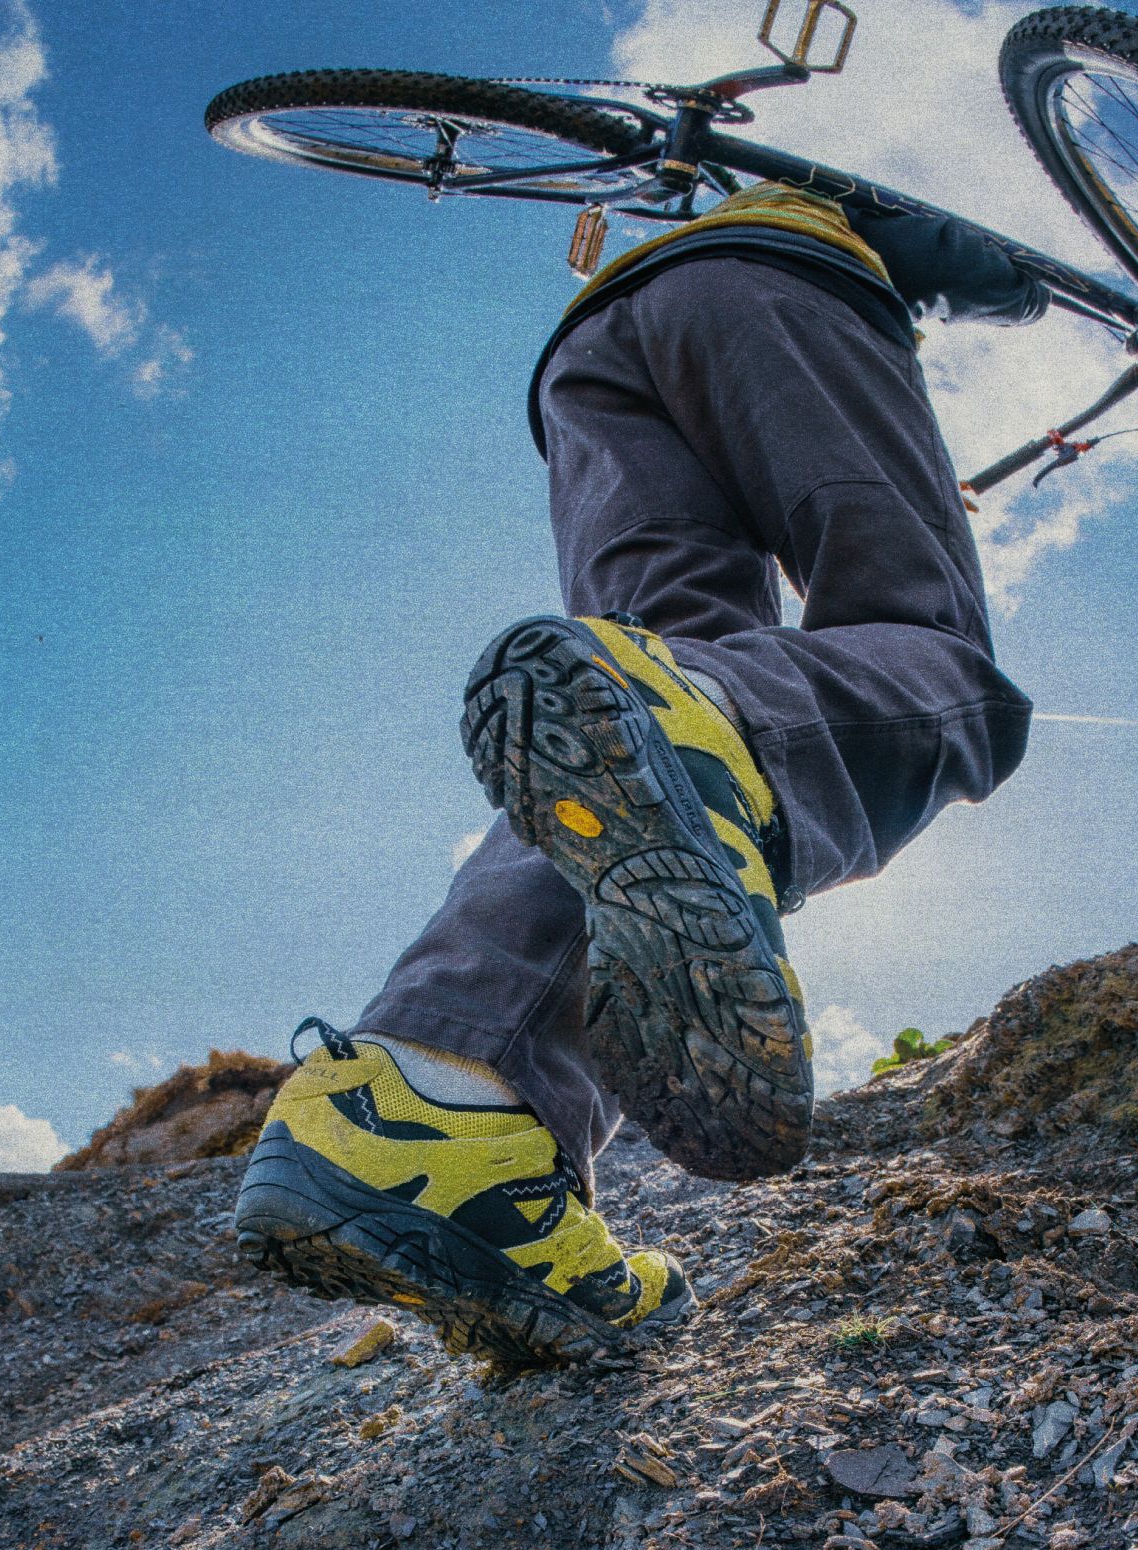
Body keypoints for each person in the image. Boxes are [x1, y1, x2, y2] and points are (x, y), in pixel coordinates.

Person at [233, 181, 1043, 1364]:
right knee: (932, 653)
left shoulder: (666, 202)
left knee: (634, 703)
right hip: (773, 294)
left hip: (588, 362)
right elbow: (977, 252)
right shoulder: (816, 196)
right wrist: (1014, 286)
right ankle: (727, 725)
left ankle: (429, 1092)